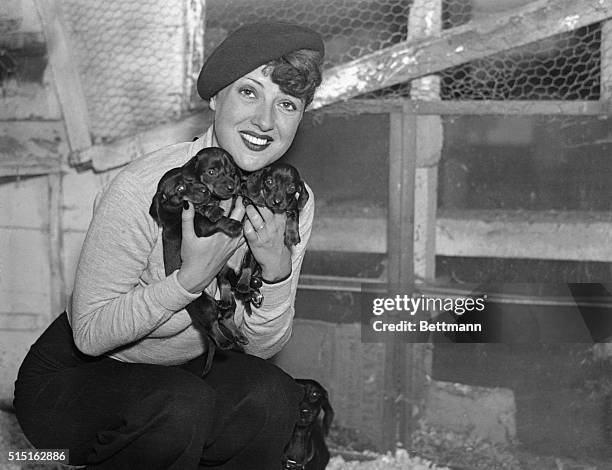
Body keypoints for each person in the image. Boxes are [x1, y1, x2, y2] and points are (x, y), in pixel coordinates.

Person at [14, 22, 324, 470]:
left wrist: (275, 274)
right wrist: (188, 281)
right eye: (249, 93)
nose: (265, 121)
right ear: (216, 97)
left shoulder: (289, 200)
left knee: (272, 396)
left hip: (182, 374)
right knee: (179, 407)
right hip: (76, 378)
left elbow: (259, 349)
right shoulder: (145, 186)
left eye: (287, 104)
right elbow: (89, 334)